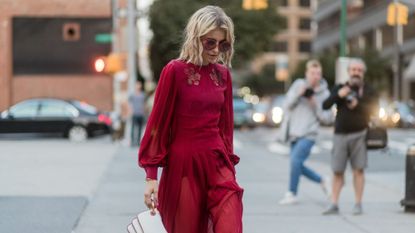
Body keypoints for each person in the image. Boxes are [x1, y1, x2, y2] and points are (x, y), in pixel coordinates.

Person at [138, 6, 243, 233]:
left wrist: (229, 166)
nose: (216, 50)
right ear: (196, 38)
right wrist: (151, 177)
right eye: (210, 42)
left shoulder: (223, 75)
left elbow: (226, 128)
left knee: (230, 225)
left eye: (223, 44)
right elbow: (157, 125)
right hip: (184, 166)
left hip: (217, 164)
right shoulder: (174, 71)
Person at [322, 58, 378, 215]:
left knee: (358, 170)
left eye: (359, 70)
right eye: (354, 70)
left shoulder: (368, 90)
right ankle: (334, 203)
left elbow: (375, 109)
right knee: (337, 171)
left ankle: (358, 204)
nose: (356, 73)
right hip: (340, 135)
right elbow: (325, 105)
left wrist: (358, 104)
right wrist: (339, 95)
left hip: (360, 134)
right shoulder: (340, 87)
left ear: (363, 73)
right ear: (348, 72)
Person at [278, 60, 332, 205]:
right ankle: (322, 180)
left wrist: (315, 104)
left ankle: (291, 193)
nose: (315, 76)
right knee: (297, 164)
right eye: (313, 73)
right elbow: (286, 105)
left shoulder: (325, 93)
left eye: (318, 74)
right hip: (294, 132)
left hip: (309, 134)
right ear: (306, 74)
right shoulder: (298, 85)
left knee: (295, 162)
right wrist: (299, 94)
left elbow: (327, 118)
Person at [129, 82, 146, 146]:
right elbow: (129, 103)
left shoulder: (143, 95)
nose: (138, 86)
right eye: (137, 85)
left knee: (139, 128)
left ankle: (138, 141)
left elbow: (144, 104)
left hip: (141, 113)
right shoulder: (132, 95)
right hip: (134, 113)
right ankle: (132, 141)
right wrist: (131, 110)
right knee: (133, 128)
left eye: (139, 85)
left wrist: (144, 111)